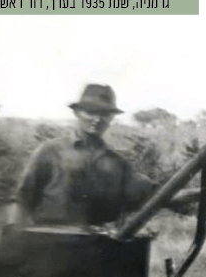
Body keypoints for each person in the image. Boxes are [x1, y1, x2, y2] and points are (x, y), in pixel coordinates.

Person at [14, 83, 159, 227]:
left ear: (111, 118)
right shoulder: (50, 151)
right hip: (50, 241)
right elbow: (24, 197)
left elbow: (146, 192)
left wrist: (177, 198)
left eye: (104, 114)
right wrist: (20, 237)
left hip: (97, 244)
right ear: (77, 113)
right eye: (91, 112)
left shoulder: (118, 163)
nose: (97, 119)